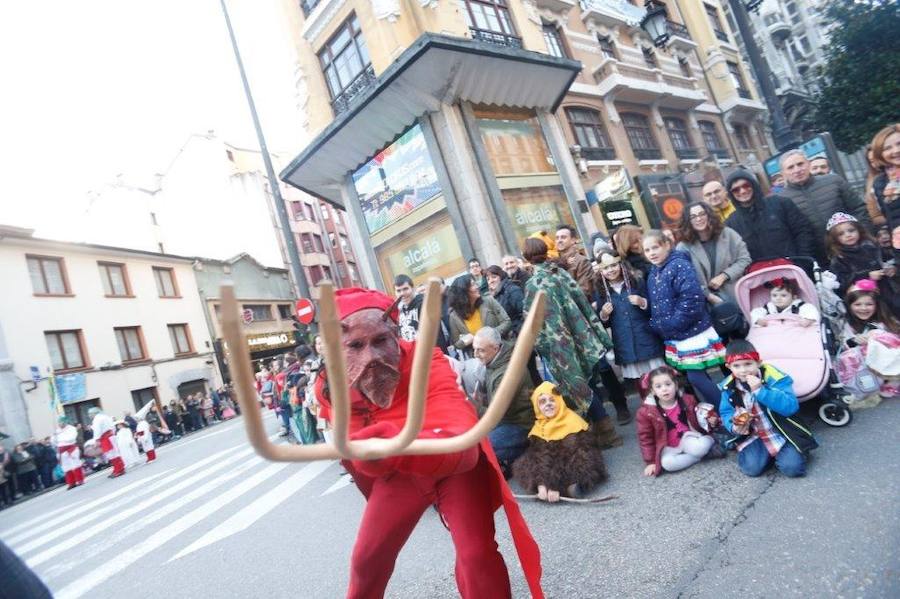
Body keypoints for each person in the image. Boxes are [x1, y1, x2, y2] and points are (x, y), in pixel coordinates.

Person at [313, 287, 542, 598]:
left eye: (380, 340)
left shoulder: (427, 360)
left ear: (394, 333)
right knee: (367, 559)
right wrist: (374, 449)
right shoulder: (330, 386)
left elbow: (458, 438)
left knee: (476, 554)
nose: (372, 358)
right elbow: (361, 453)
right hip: (400, 475)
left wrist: (385, 442)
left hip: (454, 468)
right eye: (355, 345)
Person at [522, 238, 623, 445]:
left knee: (579, 386)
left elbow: (533, 321)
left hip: (559, 346)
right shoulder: (560, 273)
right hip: (581, 337)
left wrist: (541, 347)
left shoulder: (533, 283)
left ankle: (606, 432)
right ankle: (600, 431)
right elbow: (582, 302)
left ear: (527, 257)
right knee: (588, 382)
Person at [642, 230, 725, 406]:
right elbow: (657, 303)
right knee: (695, 377)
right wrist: (656, 324)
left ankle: (728, 413)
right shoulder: (653, 272)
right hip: (677, 334)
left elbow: (692, 298)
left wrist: (674, 323)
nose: (652, 253)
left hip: (691, 331)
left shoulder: (679, 264)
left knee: (696, 377)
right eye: (647, 250)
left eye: (655, 247)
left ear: (666, 245)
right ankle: (717, 414)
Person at [719, 340, 817, 478]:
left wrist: (760, 391)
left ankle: (791, 453)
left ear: (758, 362)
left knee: (792, 469)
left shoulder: (775, 377)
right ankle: (769, 455)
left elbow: (790, 407)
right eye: (737, 366)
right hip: (756, 435)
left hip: (784, 432)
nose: (743, 370)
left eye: (748, 364)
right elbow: (726, 412)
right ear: (729, 367)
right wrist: (733, 425)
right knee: (751, 470)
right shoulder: (728, 387)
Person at [512, 382, 607, 502]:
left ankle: (568, 488)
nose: (549, 404)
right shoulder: (538, 428)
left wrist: (555, 486)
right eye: (543, 402)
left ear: (559, 401)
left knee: (582, 460)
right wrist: (541, 482)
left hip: (572, 458)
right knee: (528, 460)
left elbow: (576, 451)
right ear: (537, 407)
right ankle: (542, 487)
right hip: (551, 463)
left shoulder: (573, 421)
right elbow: (539, 456)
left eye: (552, 400)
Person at [779, 149, 871, 261]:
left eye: (800, 164)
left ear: (808, 164)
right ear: (783, 173)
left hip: (854, 249)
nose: (797, 170)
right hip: (818, 258)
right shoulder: (780, 199)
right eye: (790, 167)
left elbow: (859, 209)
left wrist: (864, 238)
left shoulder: (834, 181)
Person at [472, 327, 535, 475]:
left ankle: (528, 451)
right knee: (472, 436)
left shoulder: (508, 372)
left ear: (495, 348)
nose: (475, 355)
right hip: (506, 419)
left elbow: (494, 416)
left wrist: (470, 403)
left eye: (480, 350)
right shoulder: (494, 361)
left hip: (521, 424)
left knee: (483, 446)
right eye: (474, 349)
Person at [594, 251, 664, 384]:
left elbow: (654, 309)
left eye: (613, 265)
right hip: (625, 343)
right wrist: (603, 314)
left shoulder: (636, 282)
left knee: (659, 375)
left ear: (621, 264)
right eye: (606, 267)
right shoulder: (601, 291)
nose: (610, 270)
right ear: (601, 271)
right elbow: (603, 323)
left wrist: (642, 302)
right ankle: (648, 405)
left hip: (646, 337)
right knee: (640, 382)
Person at [636, 366, 716, 477]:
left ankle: (708, 444)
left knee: (700, 447)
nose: (664, 389)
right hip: (668, 446)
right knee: (667, 464)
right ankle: (699, 457)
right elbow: (645, 437)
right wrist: (650, 462)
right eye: (658, 386)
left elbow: (700, 418)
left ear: (676, 385)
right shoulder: (646, 412)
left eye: (668, 384)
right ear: (652, 391)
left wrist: (710, 421)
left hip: (689, 438)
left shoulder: (687, 400)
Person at [724, 169, 814, 262]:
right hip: (760, 273)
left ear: (754, 185)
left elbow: (803, 232)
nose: (742, 191)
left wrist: (803, 261)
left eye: (746, 185)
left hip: (793, 267)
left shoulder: (781, 203)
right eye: (736, 189)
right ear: (731, 194)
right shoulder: (730, 223)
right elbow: (736, 255)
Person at [677, 201, 751, 304]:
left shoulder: (728, 234)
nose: (698, 219)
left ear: (709, 215)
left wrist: (724, 276)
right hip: (703, 302)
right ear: (687, 221)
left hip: (735, 295)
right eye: (693, 217)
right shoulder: (683, 247)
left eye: (702, 214)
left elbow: (744, 259)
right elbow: (684, 278)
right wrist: (708, 296)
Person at [838, 281, 900, 398]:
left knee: (878, 334)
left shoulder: (886, 321)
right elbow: (843, 345)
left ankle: (891, 383)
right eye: (858, 304)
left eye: (869, 304)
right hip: (864, 368)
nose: (863, 308)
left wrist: (878, 336)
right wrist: (855, 341)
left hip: (889, 362)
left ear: (876, 305)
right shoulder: (846, 324)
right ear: (850, 306)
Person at [826, 212, 898, 308]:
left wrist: (892, 268)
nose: (848, 235)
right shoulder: (839, 258)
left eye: (851, 230)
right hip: (866, 297)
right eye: (841, 234)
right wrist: (867, 275)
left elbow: (890, 259)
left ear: (858, 230)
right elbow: (843, 281)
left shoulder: (872, 245)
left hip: (890, 289)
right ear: (835, 239)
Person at [447, 274, 510, 357]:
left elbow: (506, 321)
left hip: (501, 352)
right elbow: (456, 343)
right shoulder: (454, 316)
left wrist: (489, 336)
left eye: (476, 283)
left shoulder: (488, 301)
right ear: (463, 292)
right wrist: (465, 341)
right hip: (480, 360)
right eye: (473, 285)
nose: (477, 287)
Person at [871, 124, 900, 249]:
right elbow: (889, 218)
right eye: (887, 148)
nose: (895, 150)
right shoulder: (880, 182)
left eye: (899, 144)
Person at [749, 276, 820, 328]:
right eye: (774, 295)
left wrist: (808, 320)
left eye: (783, 295)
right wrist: (758, 320)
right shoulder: (768, 307)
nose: (778, 298)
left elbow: (811, 309)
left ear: (794, 297)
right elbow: (755, 313)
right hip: (773, 332)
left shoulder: (799, 306)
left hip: (794, 332)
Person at [555, 224, 593, 299]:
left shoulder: (582, 261)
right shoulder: (555, 262)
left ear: (573, 240)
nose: (559, 240)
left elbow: (585, 290)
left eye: (563, 237)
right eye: (557, 238)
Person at [486, 265, 524, 338]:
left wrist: (516, 331)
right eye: (488, 279)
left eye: (494, 277)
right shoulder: (494, 295)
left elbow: (524, 313)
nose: (491, 281)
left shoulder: (512, 290)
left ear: (501, 277)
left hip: (519, 334)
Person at [89, 407, 125, 478]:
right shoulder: (105, 417)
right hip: (111, 436)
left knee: (111, 454)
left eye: (90, 414)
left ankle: (118, 470)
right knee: (115, 453)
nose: (89, 416)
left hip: (105, 438)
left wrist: (96, 440)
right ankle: (120, 468)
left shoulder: (97, 419)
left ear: (94, 413)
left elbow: (97, 430)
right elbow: (113, 427)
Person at [54, 416, 84, 489]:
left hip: (71, 449)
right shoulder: (57, 431)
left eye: (61, 422)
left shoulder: (71, 429)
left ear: (65, 422)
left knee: (75, 464)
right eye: (58, 423)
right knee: (66, 467)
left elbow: (71, 438)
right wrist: (55, 437)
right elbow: (54, 441)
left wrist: (61, 438)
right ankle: (71, 483)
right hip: (62, 451)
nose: (59, 424)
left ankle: (80, 480)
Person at [394, 274, 423, 342]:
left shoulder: (424, 304)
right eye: (398, 291)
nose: (402, 293)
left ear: (413, 288)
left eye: (405, 289)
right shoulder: (399, 311)